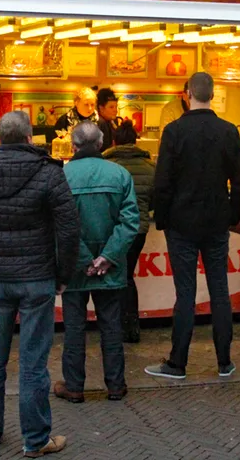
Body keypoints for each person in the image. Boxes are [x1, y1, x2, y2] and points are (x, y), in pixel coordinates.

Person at [0, 111, 80, 457]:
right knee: (33, 361)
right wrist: (63, 275)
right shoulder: (49, 172)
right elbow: (69, 230)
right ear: (30, 138)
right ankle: (36, 439)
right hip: (38, 278)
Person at [145, 72, 240, 380]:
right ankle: (224, 361)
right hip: (216, 222)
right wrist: (232, 215)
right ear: (213, 94)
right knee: (220, 290)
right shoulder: (229, 131)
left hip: (181, 222)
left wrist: (162, 218)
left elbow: (162, 182)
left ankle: (178, 362)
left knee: (185, 293)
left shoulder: (174, 131)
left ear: (186, 93)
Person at [54, 123, 140, 404]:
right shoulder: (120, 175)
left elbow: (59, 226)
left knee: (75, 327)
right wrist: (107, 257)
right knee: (111, 324)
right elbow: (130, 222)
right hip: (110, 268)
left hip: (74, 268)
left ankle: (74, 386)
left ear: (73, 146)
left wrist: (83, 260)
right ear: (101, 144)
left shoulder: (61, 177)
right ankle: (116, 385)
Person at [103, 120, 156, 343]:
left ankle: (116, 326)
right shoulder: (151, 167)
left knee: (118, 276)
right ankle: (131, 325)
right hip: (139, 230)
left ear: (114, 141)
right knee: (127, 275)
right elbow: (156, 200)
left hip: (113, 229)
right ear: (136, 141)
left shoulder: (107, 166)